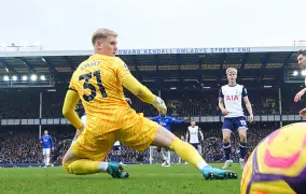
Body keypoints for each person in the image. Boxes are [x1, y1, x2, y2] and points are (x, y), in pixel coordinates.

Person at [61, 28, 236, 180]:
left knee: (68, 163)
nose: (116, 47)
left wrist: (80, 127)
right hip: (125, 121)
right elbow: (138, 90)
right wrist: (157, 101)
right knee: (173, 142)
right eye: (112, 43)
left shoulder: (77, 72)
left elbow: (66, 110)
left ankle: (106, 167)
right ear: (99, 44)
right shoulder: (114, 62)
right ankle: (205, 168)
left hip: (96, 129)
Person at [219, 67, 254, 170]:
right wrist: (222, 109)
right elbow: (220, 102)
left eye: (233, 74)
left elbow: (247, 102)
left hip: (239, 116)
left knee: (243, 136)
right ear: (227, 76)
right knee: (225, 138)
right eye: (230, 74)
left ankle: (242, 159)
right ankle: (228, 160)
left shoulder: (241, 88)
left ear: (236, 76)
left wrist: (251, 113)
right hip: (228, 117)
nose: (232, 76)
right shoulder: (223, 88)